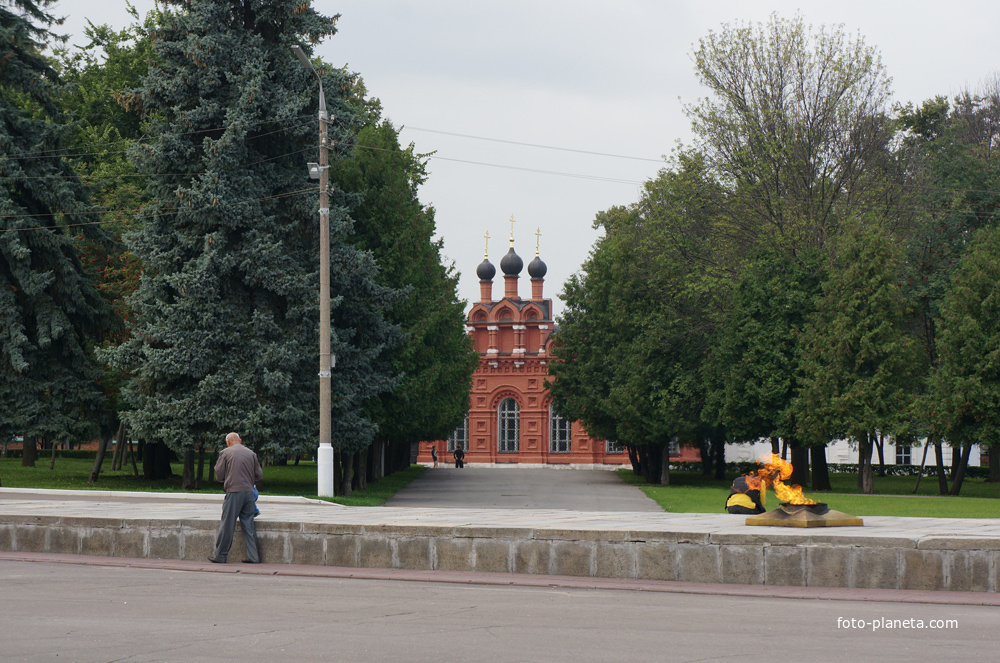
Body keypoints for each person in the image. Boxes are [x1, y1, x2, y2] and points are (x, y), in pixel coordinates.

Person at [208, 432, 263, 564]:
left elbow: (219, 475)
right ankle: (254, 557)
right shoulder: (251, 453)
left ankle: (220, 555)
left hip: (234, 492)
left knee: (227, 524)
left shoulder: (225, 453)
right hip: (249, 493)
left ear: (228, 442)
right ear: (240, 440)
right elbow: (259, 474)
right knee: (249, 524)